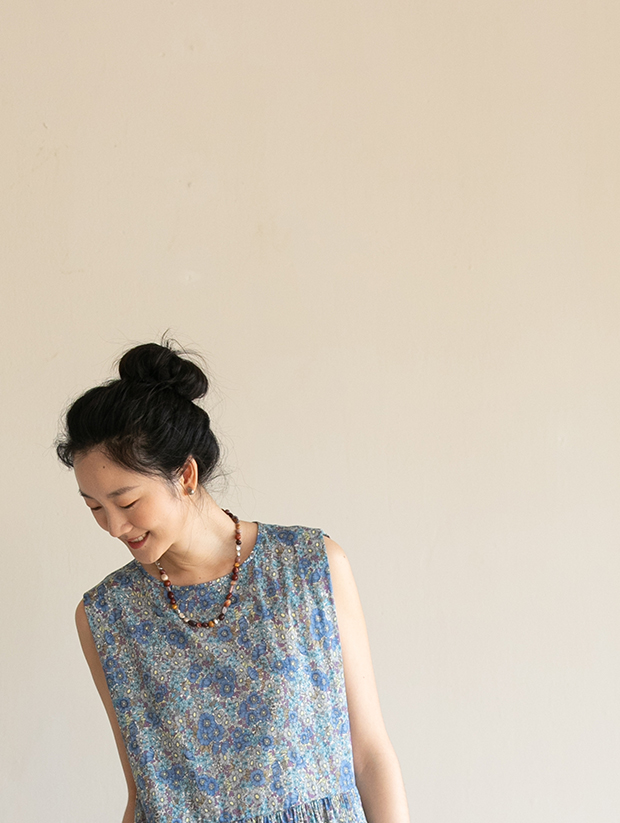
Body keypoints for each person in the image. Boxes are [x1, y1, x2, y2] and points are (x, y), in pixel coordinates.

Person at [58, 341, 410, 823]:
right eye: (95, 507)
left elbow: (369, 757)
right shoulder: (107, 616)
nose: (115, 526)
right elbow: (142, 793)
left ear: (185, 475)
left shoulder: (309, 568)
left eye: (127, 501)